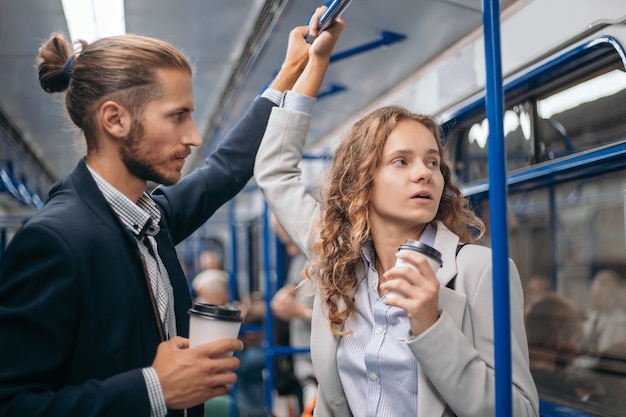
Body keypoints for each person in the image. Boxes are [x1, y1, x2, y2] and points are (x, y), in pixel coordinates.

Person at [0, 19, 315, 417]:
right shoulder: (55, 241)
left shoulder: (151, 221)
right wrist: (154, 388)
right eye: (177, 115)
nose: (194, 136)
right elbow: (12, 404)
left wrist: (290, 71)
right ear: (115, 120)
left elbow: (224, 170)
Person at [253, 7, 539, 416]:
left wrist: (432, 324)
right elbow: (274, 171)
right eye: (401, 161)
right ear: (362, 181)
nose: (424, 174)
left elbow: (520, 410)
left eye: (432, 162)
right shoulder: (337, 257)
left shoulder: (480, 271)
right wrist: (315, 65)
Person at [270, 216, 318, 409]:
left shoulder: (327, 262)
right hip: (303, 368)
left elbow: (346, 324)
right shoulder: (299, 260)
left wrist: (299, 311)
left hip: (321, 370)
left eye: (290, 242)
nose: (290, 250)